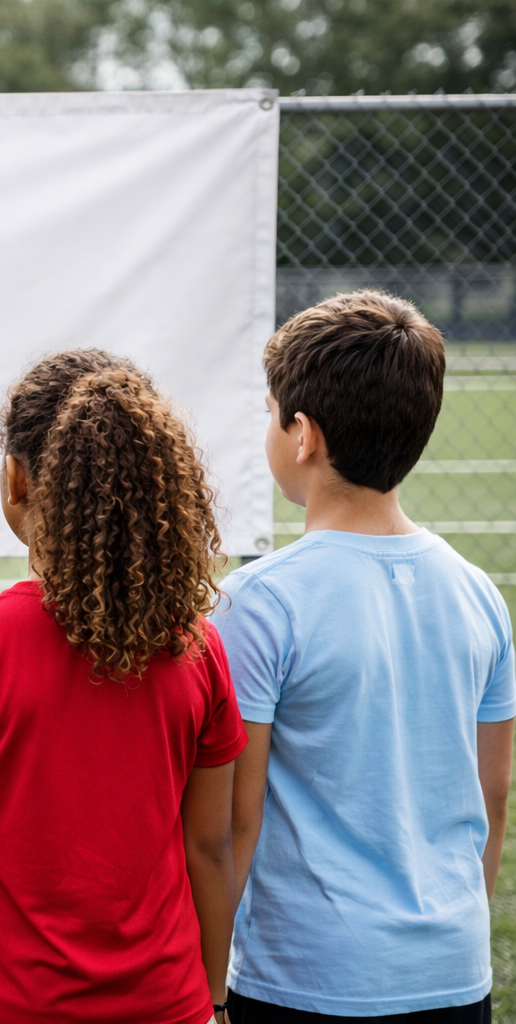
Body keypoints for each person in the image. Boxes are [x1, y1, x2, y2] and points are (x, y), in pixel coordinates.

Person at [0, 350, 247, 1024]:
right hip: (167, 1004)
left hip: (8, 1008)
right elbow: (210, 847)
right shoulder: (199, 649)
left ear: (17, 479)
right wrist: (217, 1000)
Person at [216, 290, 514, 1023]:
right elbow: (494, 793)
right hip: (454, 971)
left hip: (306, 980)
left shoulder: (258, 600)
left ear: (303, 436)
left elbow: (234, 822)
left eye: (269, 412)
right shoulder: (479, 594)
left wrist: (212, 986)